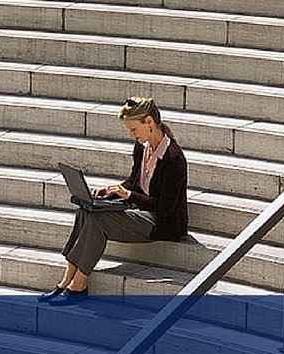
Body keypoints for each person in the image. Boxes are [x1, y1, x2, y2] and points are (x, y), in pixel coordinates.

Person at [41, 96, 189, 305]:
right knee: (86, 208)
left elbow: (166, 208)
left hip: (163, 223)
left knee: (98, 220)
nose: (132, 135)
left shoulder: (174, 159)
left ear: (149, 122)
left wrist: (128, 195)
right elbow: (134, 181)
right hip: (140, 211)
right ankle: (67, 278)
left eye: (133, 129)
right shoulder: (142, 147)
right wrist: (112, 191)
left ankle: (79, 284)